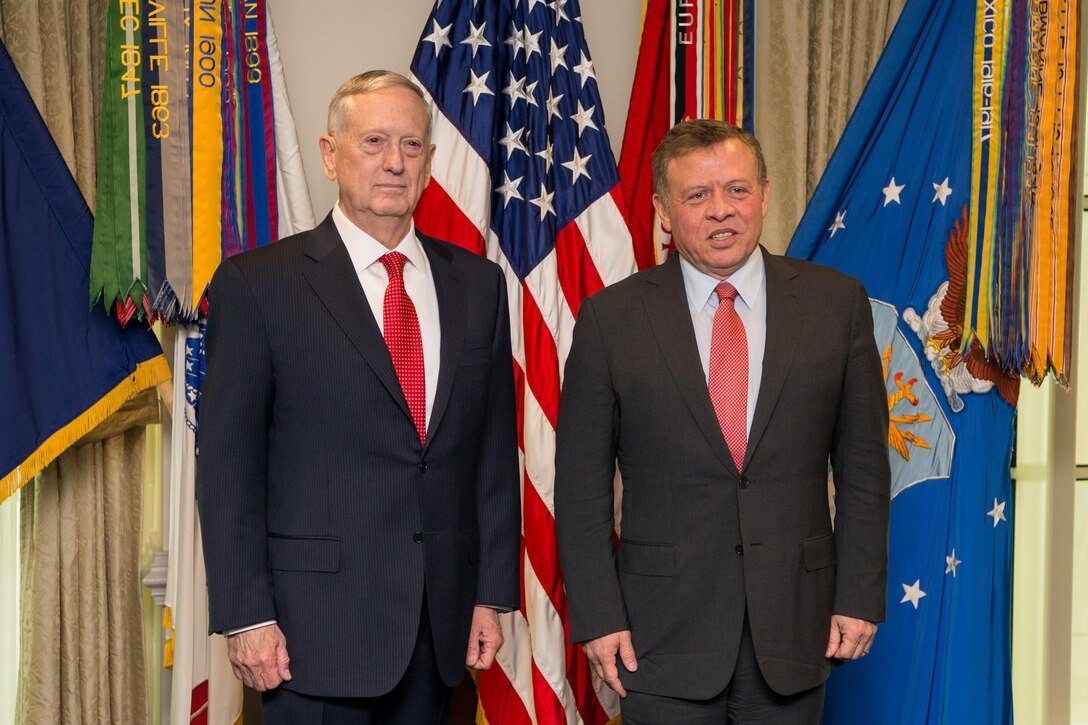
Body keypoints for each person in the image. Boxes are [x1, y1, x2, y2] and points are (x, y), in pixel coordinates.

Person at [196, 70, 520, 724]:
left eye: (410, 145)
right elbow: (228, 466)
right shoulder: (258, 286)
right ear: (329, 153)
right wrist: (247, 615)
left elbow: (489, 457)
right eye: (373, 141)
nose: (394, 162)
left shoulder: (479, 287)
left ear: (431, 161)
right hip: (308, 638)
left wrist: (490, 593)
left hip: (439, 633)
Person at [554, 119, 890, 724]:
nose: (721, 212)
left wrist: (860, 597)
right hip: (657, 640)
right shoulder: (611, 321)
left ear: (763, 193)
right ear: (663, 210)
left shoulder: (836, 305)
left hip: (797, 626)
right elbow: (581, 491)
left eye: (736, 190)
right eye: (697, 196)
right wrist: (601, 618)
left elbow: (865, 471)